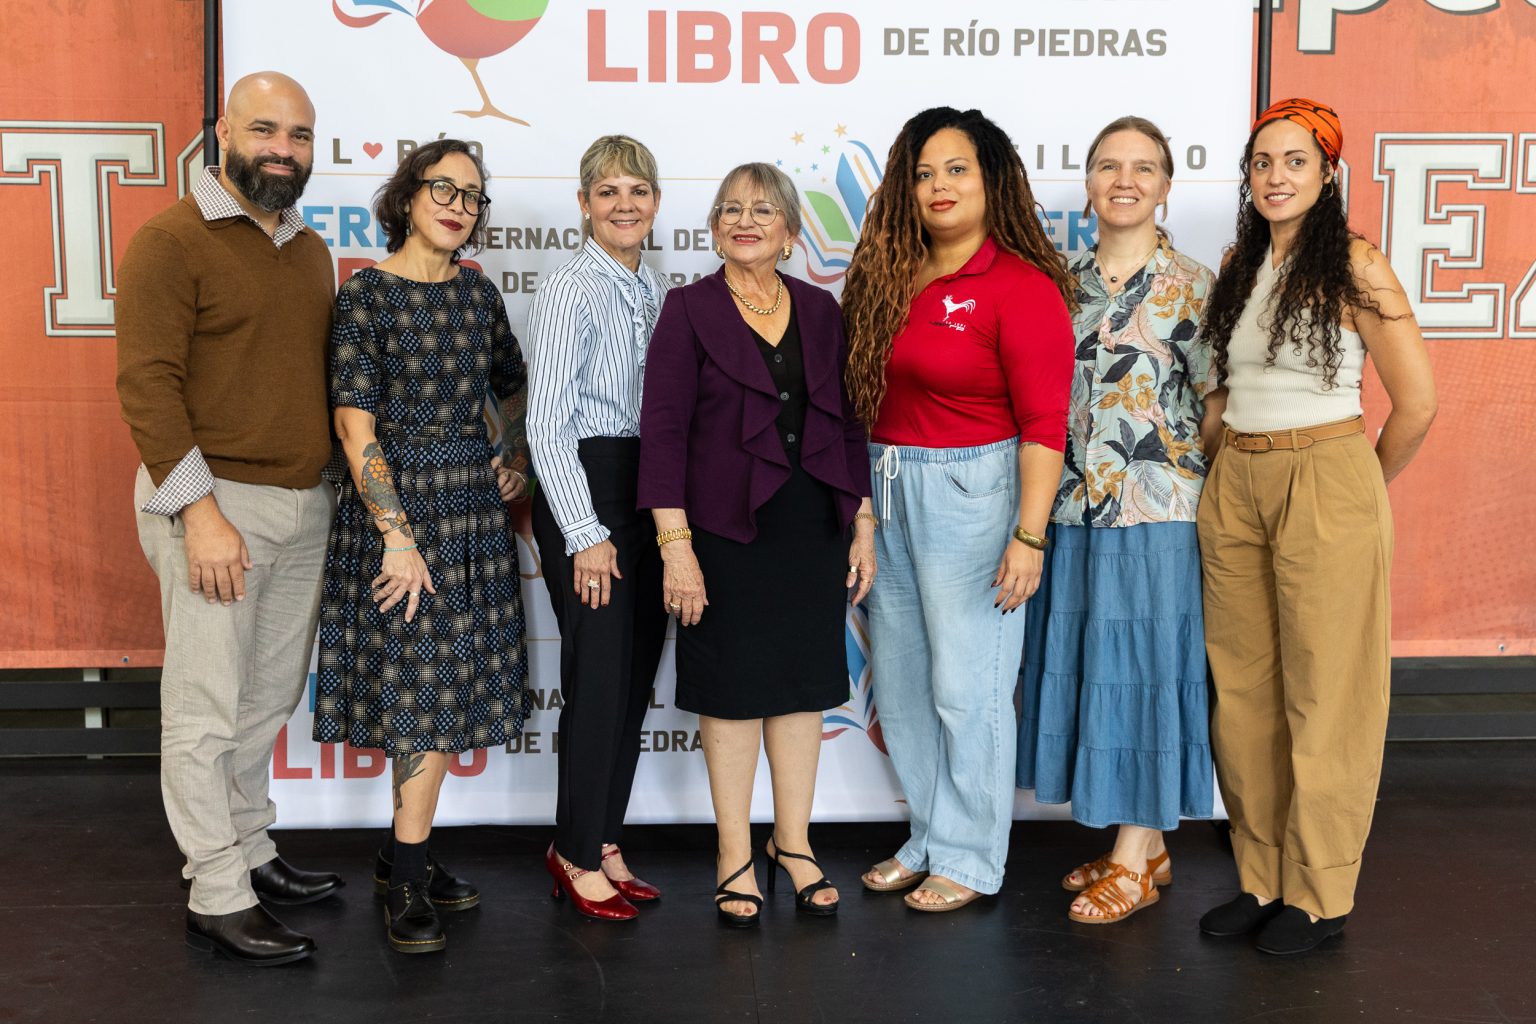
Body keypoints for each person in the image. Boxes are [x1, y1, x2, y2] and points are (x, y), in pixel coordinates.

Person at [1196, 99, 1436, 955]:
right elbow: (1226, 387)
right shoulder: (1240, 264)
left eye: (1295, 161)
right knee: (1243, 693)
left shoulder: (1356, 266)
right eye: (1262, 161)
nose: (1276, 176)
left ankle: (1320, 892)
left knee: (1327, 693)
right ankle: (1262, 879)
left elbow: (1417, 403)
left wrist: (1356, 491)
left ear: (1328, 174)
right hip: (1238, 476)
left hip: (1326, 471)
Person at [117, 72, 342, 966]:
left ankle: (249, 845)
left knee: (267, 699)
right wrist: (200, 513)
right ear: (223, 132)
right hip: (214, 505)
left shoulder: (311, 250)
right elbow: (147, 385)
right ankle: (215, 890)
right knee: (205, 709)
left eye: (299, 134)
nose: (283, 149)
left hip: (304, 505)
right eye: (265, 130)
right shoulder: (170, 240)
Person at [842, 107, 1075, 912]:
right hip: (886, 489)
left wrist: (1029, 535)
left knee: (966, 688)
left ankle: (973, 858)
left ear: (991, 181)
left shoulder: (1021, 287)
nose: (938, 186)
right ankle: (932, 836)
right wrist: (862, 510)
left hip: (974, 493)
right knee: (904, 686)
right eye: (923, 173)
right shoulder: (886, 275)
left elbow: (1045, 425)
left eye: (956, 169)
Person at [310, 139, 533, 955]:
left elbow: (511, 382)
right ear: (407, 197)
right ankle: (406, 877)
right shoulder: (365, 295)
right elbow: (353, 425)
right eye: (443, 189)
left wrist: (512, 456)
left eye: (472, 196)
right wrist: (396, 538)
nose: (458, 206)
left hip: (471, 513)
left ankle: (402, 855)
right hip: (399, 519)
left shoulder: (478, 296)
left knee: (444, 695)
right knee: (421, 692)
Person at [637, 162, 875, 927]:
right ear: (713, 228)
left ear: (791, 232)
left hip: (812, 529)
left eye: (764, 210)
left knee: (803, 688)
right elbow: (663, 433)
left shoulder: (821, 309)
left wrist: (862, 521)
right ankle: (734, 853)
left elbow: (849, 423)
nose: (746, 221)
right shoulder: (688, 309)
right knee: (733, 693)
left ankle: (793, 843)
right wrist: (675, 546)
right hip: (720, 533)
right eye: (732, 209)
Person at [1015, 116, 1217, 924]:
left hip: (1157, 513)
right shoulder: (1055, 283)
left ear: (1166, 185)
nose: (1124, 180)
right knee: (1100, 670)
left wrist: (1173, 473)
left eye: (1142, 167)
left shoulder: (1195, 285)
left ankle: (1132, 861)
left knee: (1146, 672)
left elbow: (1216, 404)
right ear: (1088, 182)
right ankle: (1147, 844)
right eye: (1108, 166)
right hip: (1070, 508)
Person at [525, 135, 671, 922]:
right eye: (608, 191)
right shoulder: (568, 288)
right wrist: (585, 532)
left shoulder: (656, 287)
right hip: (589, 489)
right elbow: (546, 425)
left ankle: (605, 836)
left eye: (637, 190)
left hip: (648, 492)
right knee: (599, 678)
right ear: (583, 204)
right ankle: (574, 850)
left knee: (634, 676)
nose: (624, 204)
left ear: (656, 203)